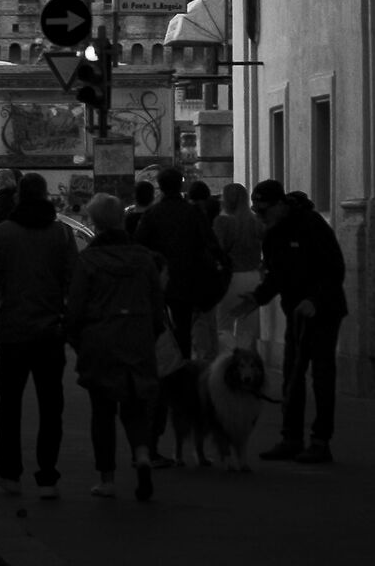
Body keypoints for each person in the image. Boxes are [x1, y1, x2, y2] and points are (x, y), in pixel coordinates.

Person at [0, 173, 78, 499]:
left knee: (9, 405)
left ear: (18, 197)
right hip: (50, 331)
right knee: (51, 407)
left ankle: (9, 471)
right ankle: (47, 477)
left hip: (14, 330)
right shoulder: (62, 233)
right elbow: (74, 283)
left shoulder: (1, 233)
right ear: (46, 196)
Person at [67, 191, 163, 502]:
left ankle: (107, 478)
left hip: (101, 338)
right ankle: (143, 454)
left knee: (103, 412)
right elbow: (157, 304)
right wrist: (150, 332)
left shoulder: (89, 260)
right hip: (137, 336)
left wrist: (76, 339)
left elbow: (76, 308)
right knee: (136, 407)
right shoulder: (144, 258)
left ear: (95, 223)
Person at [250, 180, 349, 464]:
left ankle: (320, 440)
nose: (260, 216)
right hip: (296, 313)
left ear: (280, 205)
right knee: (292, 373)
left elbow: (334, 268)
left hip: (324, 311)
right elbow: (276, 274)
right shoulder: (272, 234)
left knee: (321, 375)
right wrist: (257, 297)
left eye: (264, 210)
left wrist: (314, 300)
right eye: (256, 211)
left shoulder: (311, 225)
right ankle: (291, 437)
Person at [135, 165, 217, 369]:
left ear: (160, 186)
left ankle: (164, 369)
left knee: (160, 328)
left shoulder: (153, 214)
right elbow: (209, 244)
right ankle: (183, 368)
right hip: (188, 280)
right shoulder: (193, 212)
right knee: (184, 331)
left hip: (160, 281)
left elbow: (139, 246)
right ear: (181, 185)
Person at [212, 182, 266, 350]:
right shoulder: (255, 221)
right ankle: (247, 360)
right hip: (253, 277)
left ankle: (226, 360)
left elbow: (218, 250)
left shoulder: (222, 222)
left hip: (230, 278)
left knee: (223, 326)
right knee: (248, 328)